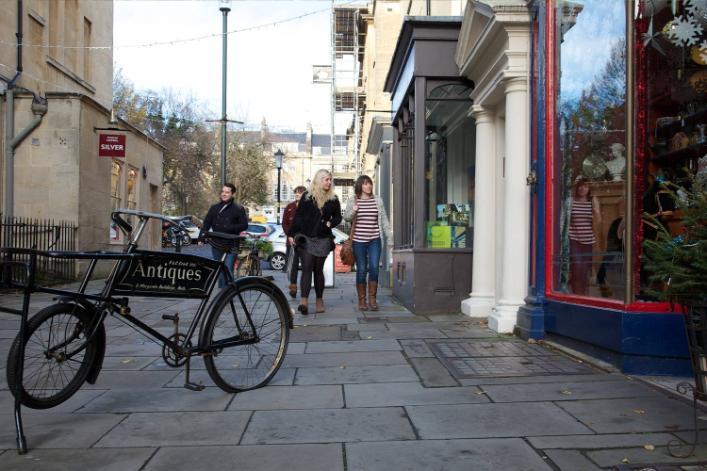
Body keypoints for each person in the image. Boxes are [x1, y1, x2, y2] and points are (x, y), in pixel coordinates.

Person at [286, 169, 341, 314]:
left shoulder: (333, 198)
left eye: (330, 180)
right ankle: (304, 301)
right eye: (326, 179)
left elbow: (338, 217)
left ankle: (319, 299)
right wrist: (291, 234)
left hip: (323, 238)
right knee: (306, 268)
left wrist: (331, 223)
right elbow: (298, 217)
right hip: (307, 238)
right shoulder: (306, 197)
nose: (329, 182)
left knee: (318, 270)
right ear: (319, 180)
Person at [343, 175, 392, 311]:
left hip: (375, 240)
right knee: (362, 269)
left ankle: (372, 299)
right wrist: (353, 211)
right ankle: (362, 301)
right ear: (360, 186)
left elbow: (384, 221)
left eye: (369, 183)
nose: (368, 186)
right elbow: (346, 218)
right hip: (358, 241)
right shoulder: (353, 200)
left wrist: (390, 238)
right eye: (365, 184)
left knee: (375, 267)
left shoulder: (377, 200)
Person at [200, 183, 248, 287]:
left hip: (232, 243)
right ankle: (222, 292)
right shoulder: (214, 208)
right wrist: (201, 237)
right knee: (219, 268)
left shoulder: (238, 209)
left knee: (228, 267)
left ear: (232, 194)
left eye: (227, 192)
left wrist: (230, 227)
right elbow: (206, 223)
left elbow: (244, 225)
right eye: (223, 191)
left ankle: (230, 291)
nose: (224, 194)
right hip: (216, 243)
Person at [568, 176, 601, 295]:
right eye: (580, 186)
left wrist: (596, 210)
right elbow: (565, 220)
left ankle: (582, 295)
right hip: (574, 239)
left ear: (589, 188)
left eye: (585, 186)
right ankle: (576, 294)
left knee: (584, 269)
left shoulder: (592, 200)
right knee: (577, 266)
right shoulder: (571, 201)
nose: (582, 189)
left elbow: (599, 221)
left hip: (589, 240)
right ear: (576, 188)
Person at [282, 185, 307, 298]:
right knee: (293, 265)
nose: (297, 194)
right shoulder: (289, 207)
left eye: (300, 192)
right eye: (296, 192)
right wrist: (290, 236)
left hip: (304, 242)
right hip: (291, 242)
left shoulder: (308, 207)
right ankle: (293, 287)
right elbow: (285, 223)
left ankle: (304, 287)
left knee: (306, 266)